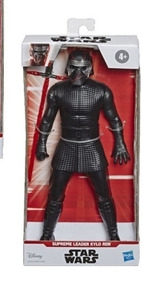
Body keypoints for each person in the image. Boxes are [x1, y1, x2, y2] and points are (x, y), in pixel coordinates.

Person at [35, 49, 131, 241]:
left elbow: (114, 119)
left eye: (82, 68)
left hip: (92, 148)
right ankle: (46, 235)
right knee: (55, 196)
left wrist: (120, 143)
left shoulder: (101, 91)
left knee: (104, 196)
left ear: (90, 69)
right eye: (73, 67)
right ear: (67, 67)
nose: (77, 73)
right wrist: (41, 144)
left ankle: (114, 236)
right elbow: (47, 120)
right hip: (66, 147)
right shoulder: (57, 91)